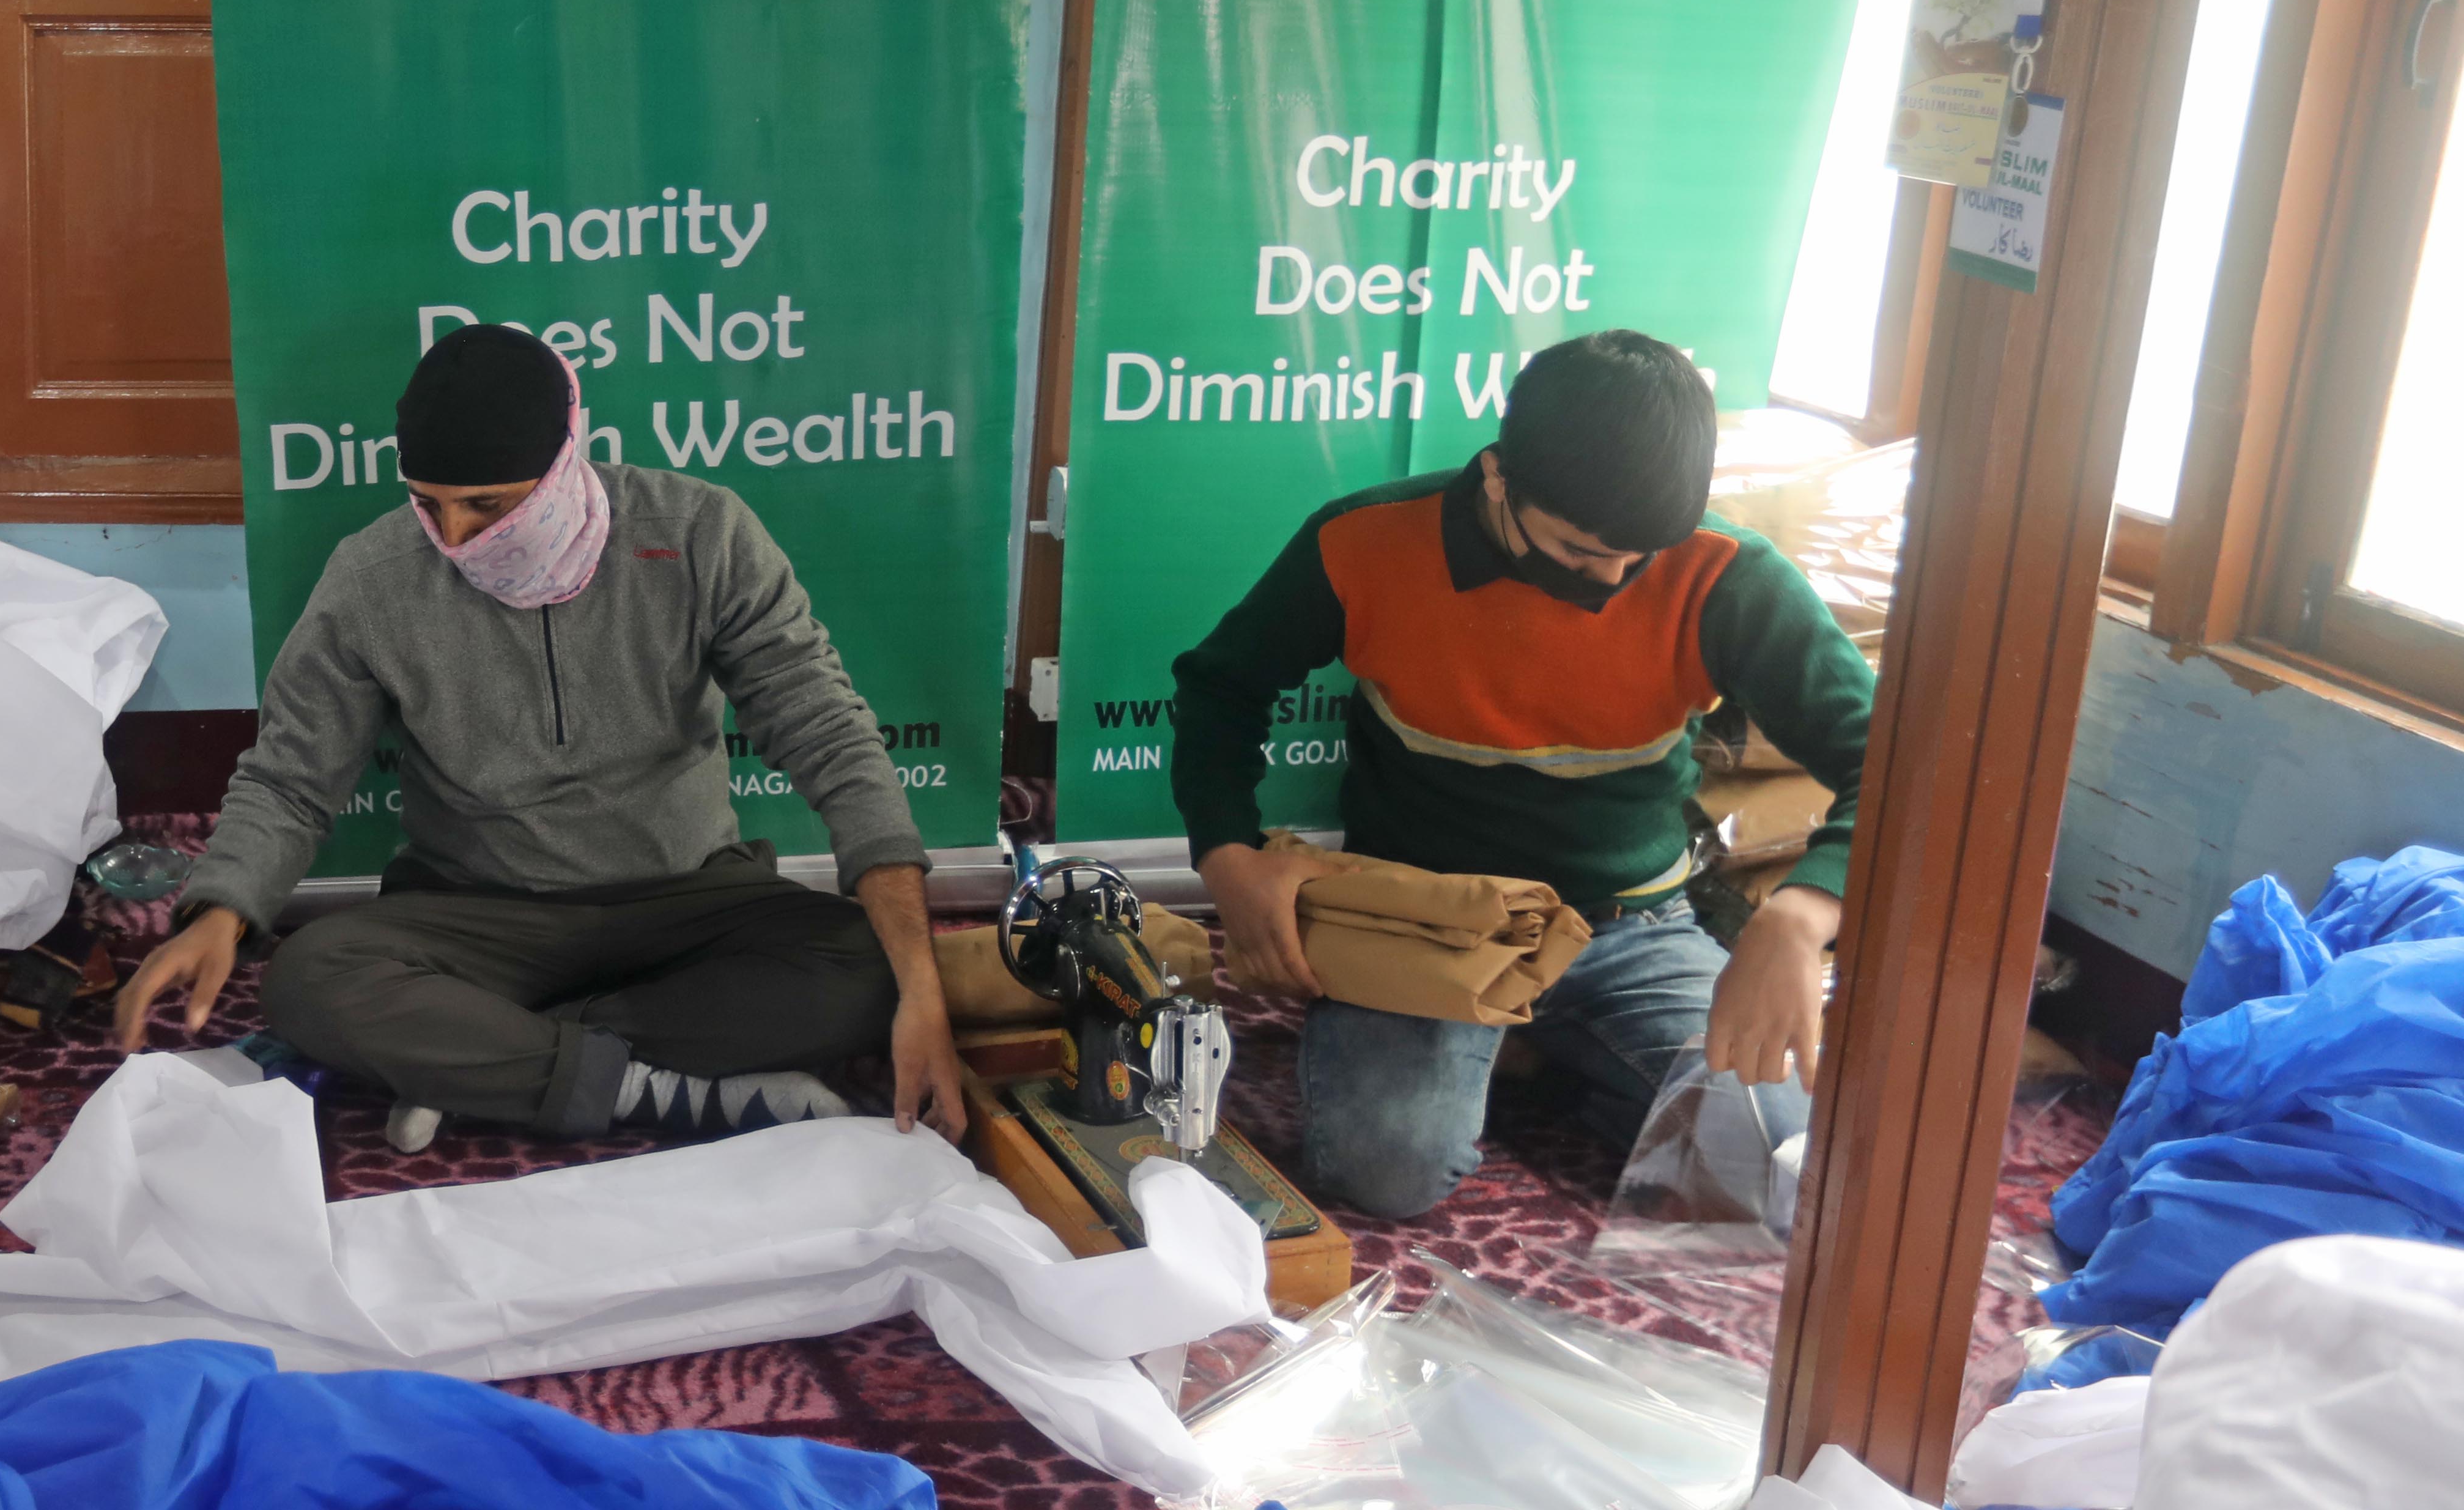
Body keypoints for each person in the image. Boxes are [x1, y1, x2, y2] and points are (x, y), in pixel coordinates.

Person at [115, 322, 969, 1145]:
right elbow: (291, 778)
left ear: (564, 466)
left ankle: (484, 1061)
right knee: (310, 981)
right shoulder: (371, 579)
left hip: (685, 902)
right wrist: (221, 912)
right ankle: (654, 1089)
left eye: (484, 507)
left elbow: (827, 733)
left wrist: (920, 982)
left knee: (866, 961)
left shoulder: (701, 532)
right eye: (427, 505)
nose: (453, 538)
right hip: (477, 916)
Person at [1171, 330, 1868, 1219]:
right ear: (1499, 476)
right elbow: (1222, 690)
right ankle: (1520, 1054)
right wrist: (1228, 856)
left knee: (1782, 1171)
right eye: (1580, 552)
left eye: (1638, 558)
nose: (1611, 582)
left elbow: (1888, 762)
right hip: (1426, 918)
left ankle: (1545, 1059)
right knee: (1388, 1175)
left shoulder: (1727, 576)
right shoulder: (1367, 541)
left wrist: (1803, 916)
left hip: (1632, 924)